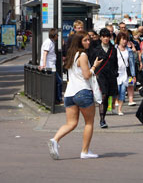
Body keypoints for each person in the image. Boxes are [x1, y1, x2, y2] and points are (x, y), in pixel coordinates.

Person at [48, 31, 102, 160]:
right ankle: (85, 151)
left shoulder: (72, 55)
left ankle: (54, 139)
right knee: (89, 123)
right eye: (85, 40)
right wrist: (94, 66)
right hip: (83, 92)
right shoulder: (82, 55)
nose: (88, 42)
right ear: (79, 42)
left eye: (89, 40)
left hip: (69, 94)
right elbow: (87, 75)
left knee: (71, 123)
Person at [90, 28, 118, 128]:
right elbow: (92, 63)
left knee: (107, 97)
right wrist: (95, 73)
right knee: (104, 95)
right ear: (100, 37)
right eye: (104, 36)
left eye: (107, 36)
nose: (106, 38)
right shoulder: (96, 50)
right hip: (100, 76)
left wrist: (115, 73)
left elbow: (116, 64)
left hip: (110, 76)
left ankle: (103, 117)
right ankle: (102, 120)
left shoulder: (113, 49)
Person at [39, 29, 62, 103]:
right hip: (49, 67)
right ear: (54, 35)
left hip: (51, 66)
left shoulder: (51, 42)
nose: (58, 37)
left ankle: (56, 99)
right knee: (59, 82)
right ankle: (58, 99)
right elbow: (45, 53)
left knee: (56, 82)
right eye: (57, 35)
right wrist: (44, 65)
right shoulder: (48, 42)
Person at [115, 32, 130, 115]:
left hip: (125, 74)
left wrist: (133, 74)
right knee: (116, 90)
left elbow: (130, 63)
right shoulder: (114, 49)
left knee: (123, 92)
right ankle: (113, 104)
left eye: (125, 39)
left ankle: (119, 110)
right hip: (116, 73)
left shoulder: (128, 50)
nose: (124, 41)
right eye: (123, 39)